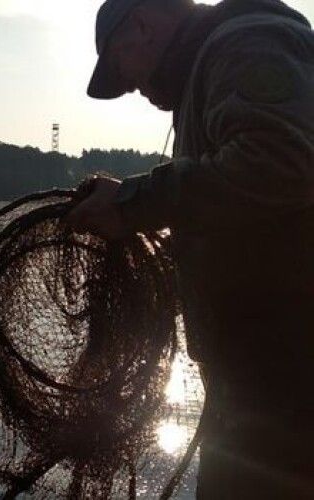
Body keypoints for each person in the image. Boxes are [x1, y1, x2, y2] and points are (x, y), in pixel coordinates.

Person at [68, 0, 314, 497]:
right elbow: (235, 213)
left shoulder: (246, 44)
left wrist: (136, 201)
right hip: (253, 383)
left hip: (289, 382)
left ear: (141, 22)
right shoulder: (206, 69)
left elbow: (282, 163)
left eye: (122, 66)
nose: (133, 88)